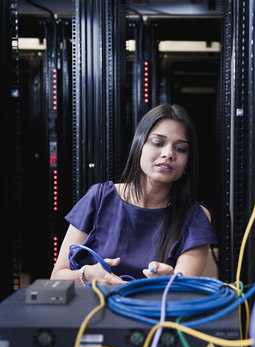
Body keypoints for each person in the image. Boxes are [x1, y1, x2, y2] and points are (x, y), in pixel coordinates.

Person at [51, 104, 217, 286]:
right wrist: (88, 274)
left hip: (151, 314)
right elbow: (58, 277)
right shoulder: (99, 198)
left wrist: (168, 282)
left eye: (180, 148)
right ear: (139, 145)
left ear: (188, 161)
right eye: (158, 143)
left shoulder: (195, 216)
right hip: (92, 312)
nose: (168, 154)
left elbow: (183, 294)